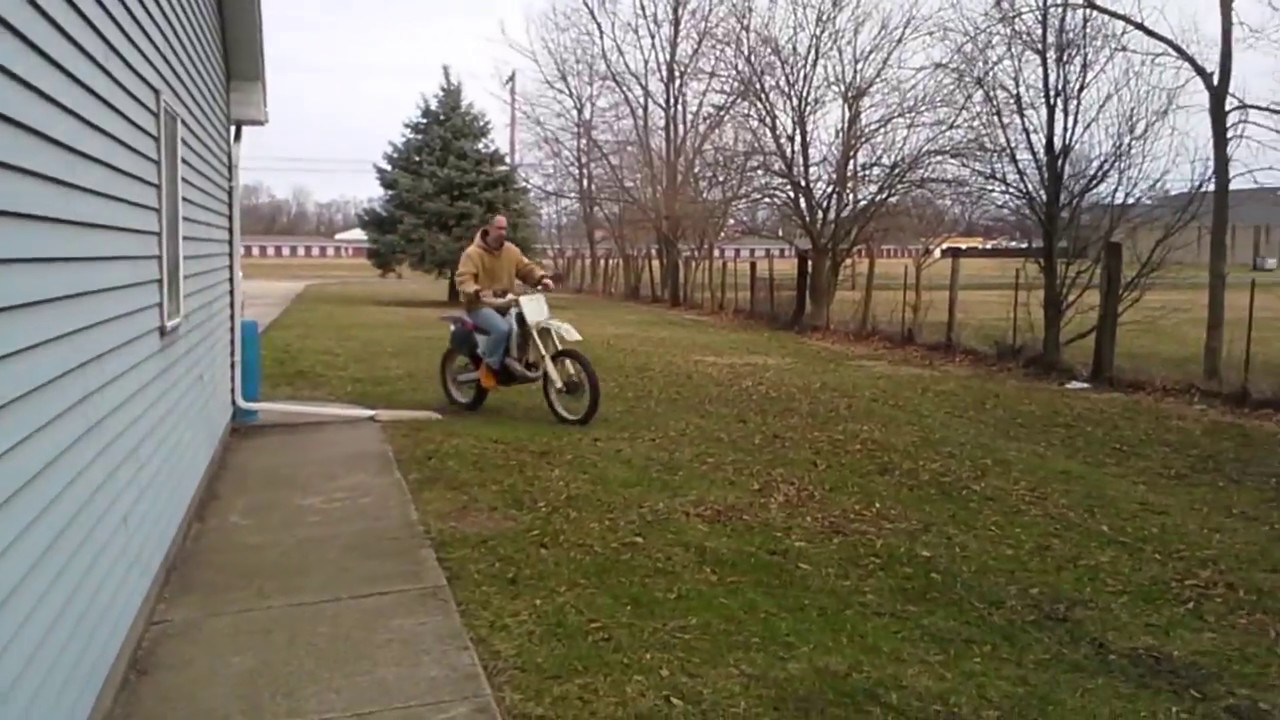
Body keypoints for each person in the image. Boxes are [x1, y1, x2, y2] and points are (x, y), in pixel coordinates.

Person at [454, 215, 555, 389]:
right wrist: (476, 291)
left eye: (505, 229)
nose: (503, 232)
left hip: (506, 303)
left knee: (528, 324)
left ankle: (521, 360)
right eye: (499, 228)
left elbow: (526, 268)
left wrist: (541, 278)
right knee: (501, 329)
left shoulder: (511, 251)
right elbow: (464, 279)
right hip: (480, 306)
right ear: (489, 229)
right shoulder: (472, 254)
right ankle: (489, 368)